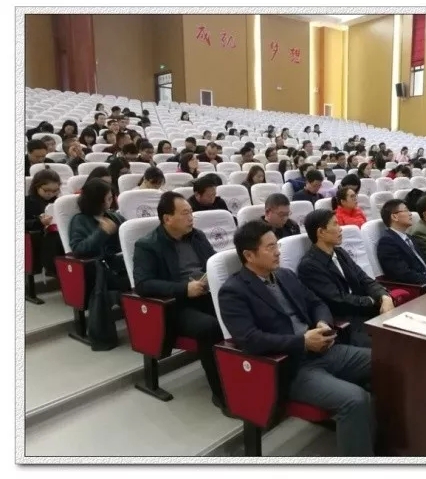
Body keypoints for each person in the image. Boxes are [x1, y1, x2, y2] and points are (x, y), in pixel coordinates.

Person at [218, 220, 374, 456]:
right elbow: (250, 339)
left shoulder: (285, 275)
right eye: (270, 247)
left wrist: (322, 323)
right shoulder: (234, 291)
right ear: (249, 255)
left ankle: (384, 439)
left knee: (386, 363)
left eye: (277, 245)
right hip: (290, 366)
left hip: (324, 349)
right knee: (355, 399)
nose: (278, 252)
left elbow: (316, 303)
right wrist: (302, 342)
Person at [133, 191, 227, 414]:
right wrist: (183, 289)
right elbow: (144, 284)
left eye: (191, 212)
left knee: (239, 310)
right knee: (210, 327)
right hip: (175, 305)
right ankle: (221, 392)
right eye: (185, 213)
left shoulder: (197, 236)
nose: (191, 217)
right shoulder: (147, 245)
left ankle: (243, 376)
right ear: (167, 218)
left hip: (204, 294)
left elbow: (213, 262)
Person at [299, 209, 393, 348]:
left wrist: (384, 296)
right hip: (347, 324)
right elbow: (338, 299)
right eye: (335, 224)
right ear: (321, 232)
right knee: (389, 345)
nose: (340, 229)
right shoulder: (309, 265)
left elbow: (364, 279)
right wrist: (371, 300)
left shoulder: (340, 252)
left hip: (365, 312)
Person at [69, 178, 130, 349]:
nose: (112, 201)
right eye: (108, 198)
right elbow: (78, 249)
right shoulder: (79, 220)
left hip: (119, 265)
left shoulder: (114, 216)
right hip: (99, 270)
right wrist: (101, 232)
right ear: (97, 201)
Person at [376, 199, 426, 289]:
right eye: (406, 210)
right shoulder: (387, 242)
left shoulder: (410, 237)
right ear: (394, 217)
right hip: (420, 287)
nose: (410, 214)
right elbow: (402, 273)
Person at [25, 169, 65, 277]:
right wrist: (39, 222)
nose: (51, 193)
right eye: (47, 190)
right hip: (38, 239)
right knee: (54, 237)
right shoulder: (27, 202)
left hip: (58, 236)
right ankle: (54, 268)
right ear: (37, 187)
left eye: (55, 190)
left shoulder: (59, 202)